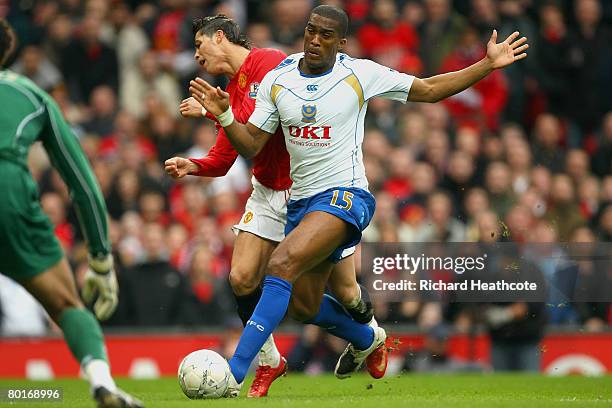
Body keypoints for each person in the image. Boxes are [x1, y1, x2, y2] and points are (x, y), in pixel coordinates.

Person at [191, 4, 527, 396]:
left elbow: (430, 89)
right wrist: (226, 117)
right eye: (311, 31)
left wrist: (485, 66)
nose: (316, 40)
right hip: (300, 204)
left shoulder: (360, 73)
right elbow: (251, 143)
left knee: (280, 264)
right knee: (302, 306)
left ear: (342, 42)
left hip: (345, 196)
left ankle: (234, 372)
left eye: (327, 35)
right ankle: (368, 339)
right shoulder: (277, 80)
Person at [164, 15, 375, 397]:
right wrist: (193, 164)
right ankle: (268, 360)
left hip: (310, 193)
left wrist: (218, 113)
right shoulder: (229, 90)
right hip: (266, 191)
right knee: (241, 278)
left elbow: (273, 123)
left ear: (221, 37)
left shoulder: (272, 62)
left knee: (340, 296)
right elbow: (229, 155)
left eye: (199, 44)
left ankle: (368, 336)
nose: (195, 55)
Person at [0, 19, 142, 408]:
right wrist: (100, 259)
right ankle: (101, 381)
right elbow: (82, 184)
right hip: (8, 193)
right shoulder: (31, 96)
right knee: (66, 304)